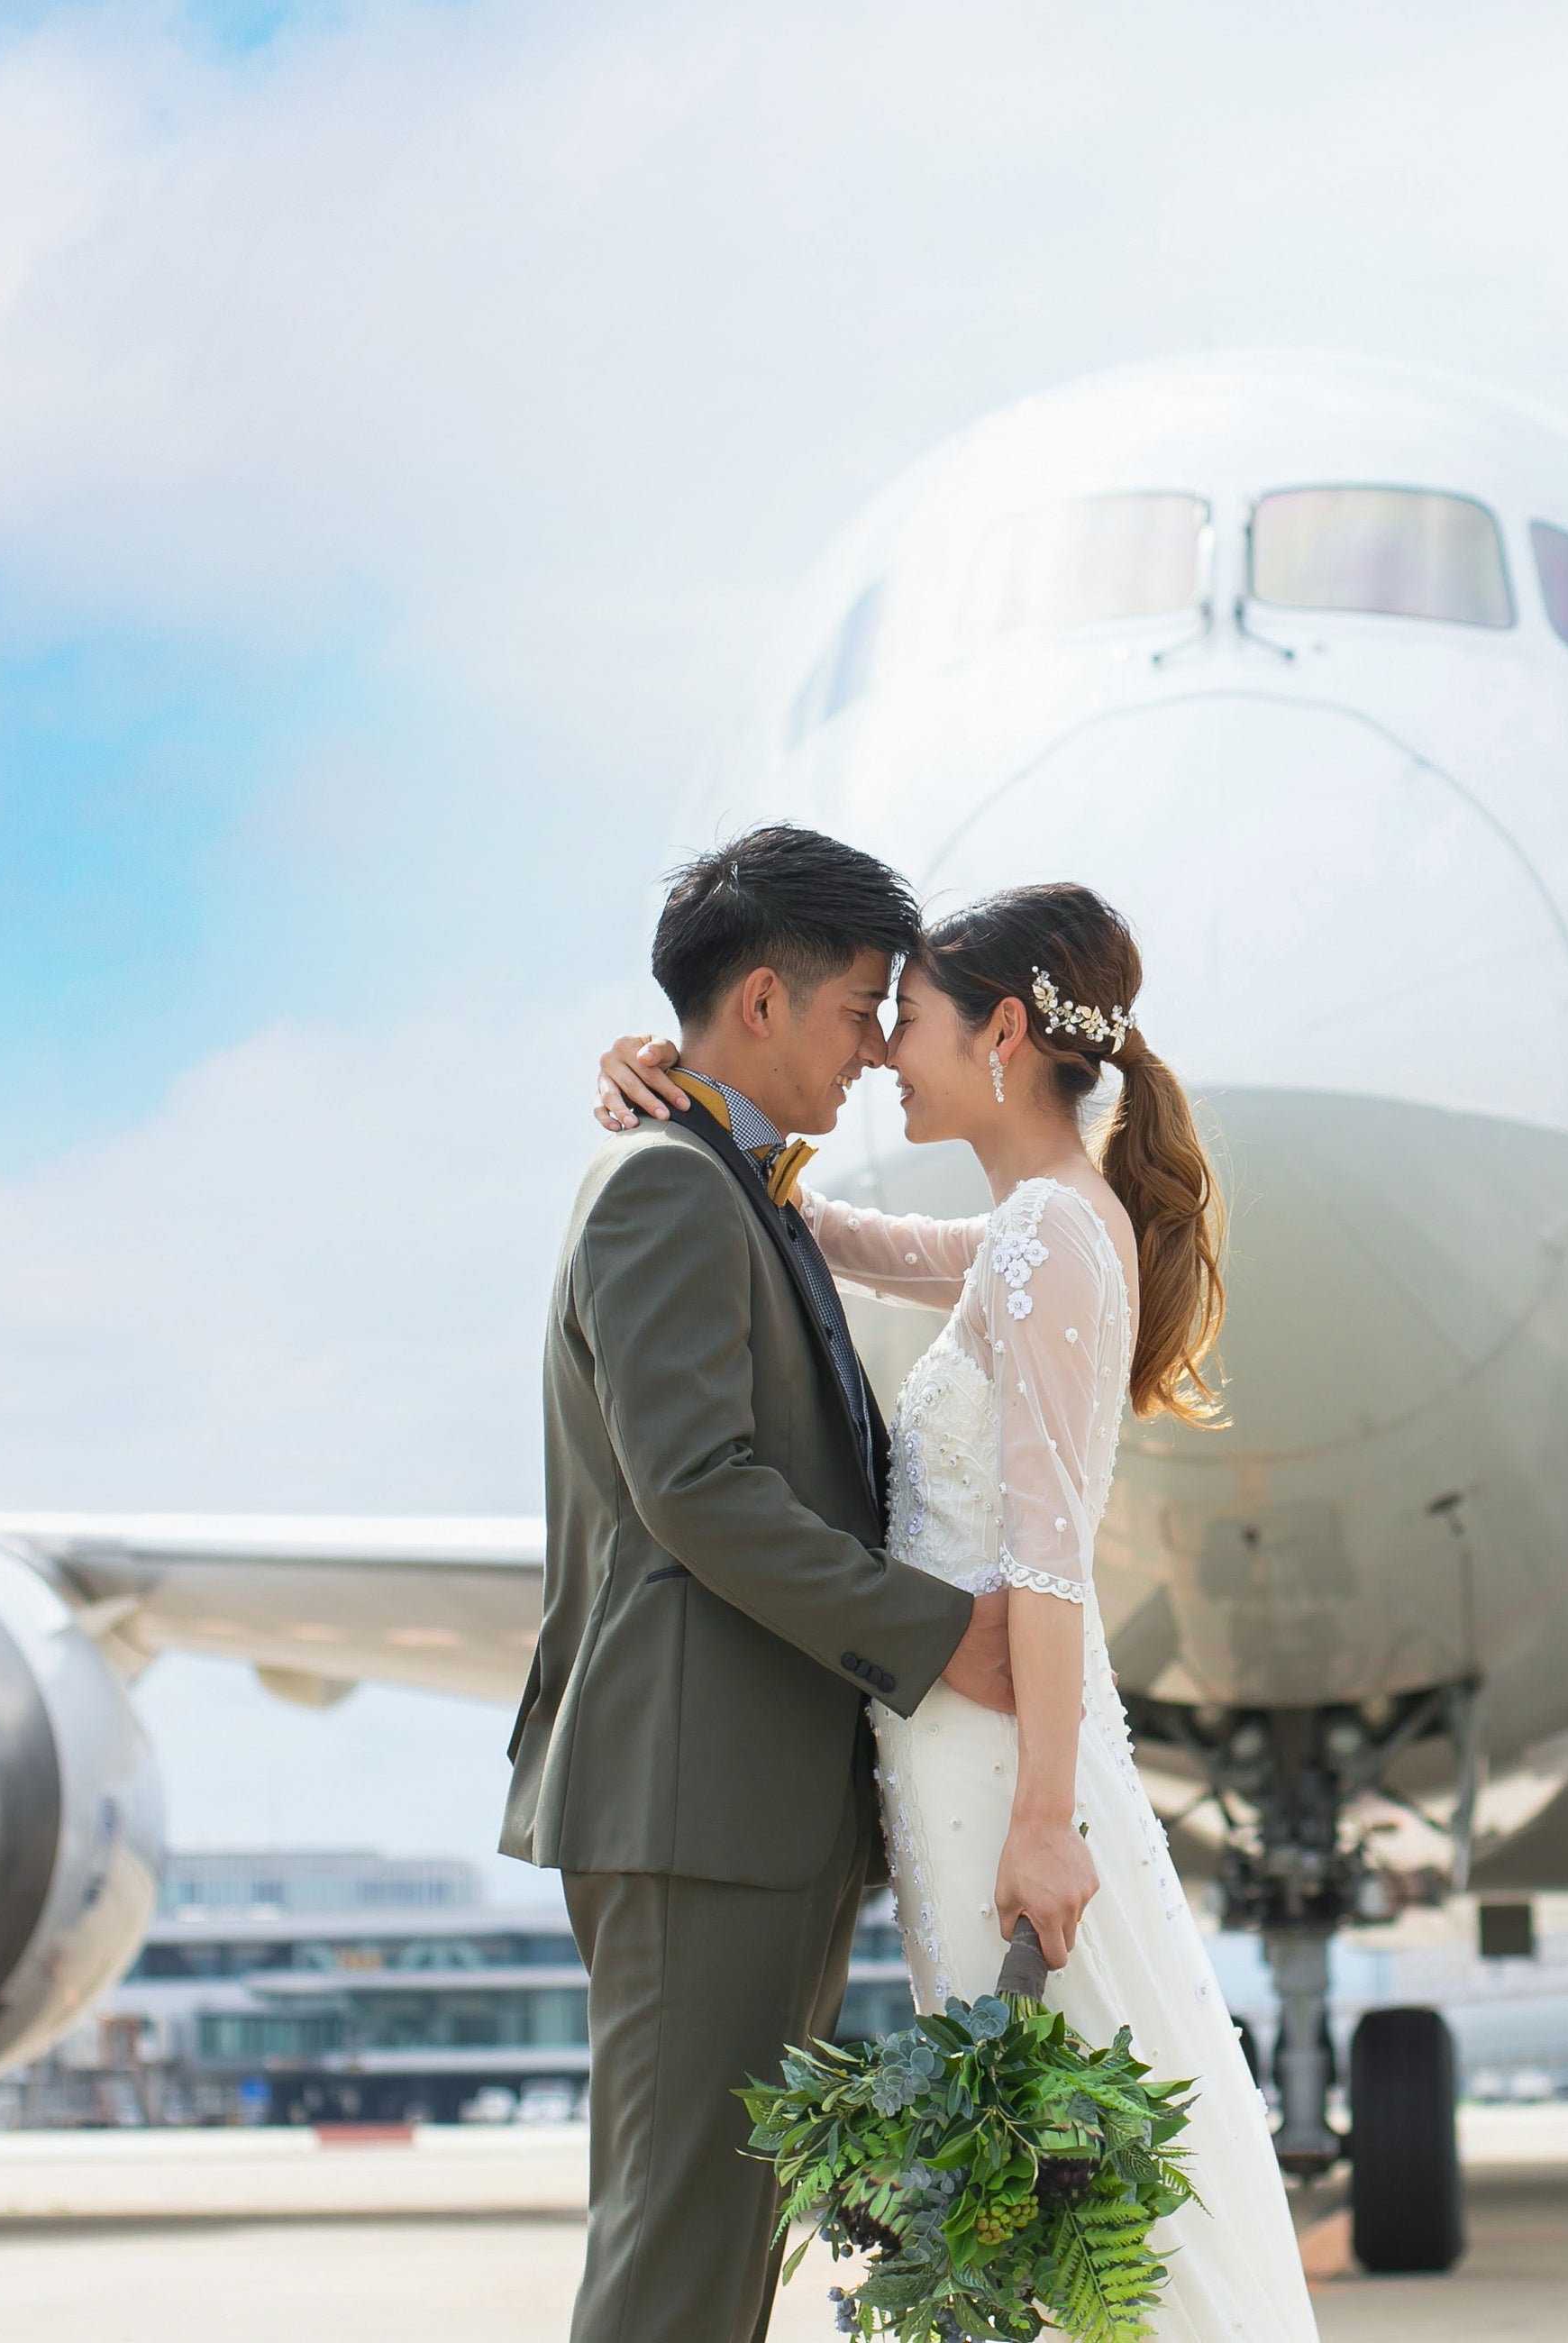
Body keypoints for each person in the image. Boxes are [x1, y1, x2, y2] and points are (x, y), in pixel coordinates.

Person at [596, 880, 1323, 2339]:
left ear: (1001, 1032)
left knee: (1086, 2205)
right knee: (1053, 2211)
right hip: (966, 1757)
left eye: (906, 1021)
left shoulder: (1053, 1233)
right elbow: (834, 1233)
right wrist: (684, 1099)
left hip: (1005, 1769)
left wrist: (1045, 1822)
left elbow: (1048, 1563)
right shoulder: (1033, 1230)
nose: (882, 1055)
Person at [504, 825, 1020, 2343]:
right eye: (864, 1008)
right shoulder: (668, 1188)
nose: (874, 1051)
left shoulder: (738, 1184)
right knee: (678, 2257)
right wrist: (946, 1641)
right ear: (759, 1005)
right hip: (693, 1804)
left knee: (720, 2251)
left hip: (745, 1808)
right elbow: (699, 1491)